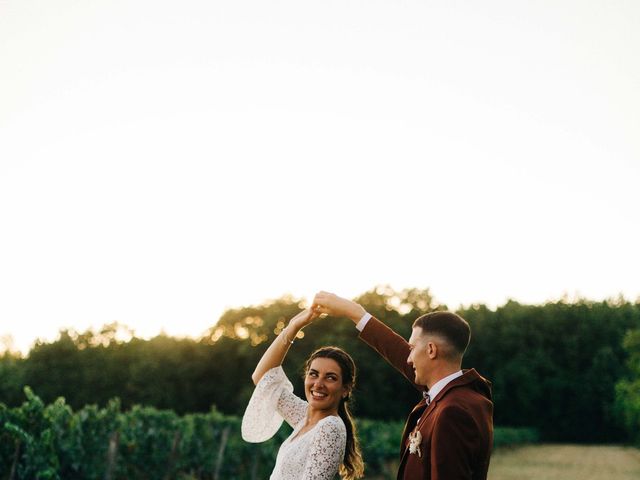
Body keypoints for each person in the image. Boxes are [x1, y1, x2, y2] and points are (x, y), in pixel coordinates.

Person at [312, 291, 493, 480]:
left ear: (431, 350)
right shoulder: (459, 395)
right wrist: (355, 313)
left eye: (412, 348)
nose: (408, 357)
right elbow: (398, 353)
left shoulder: (453, 411)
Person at [241, 308, 364, 480]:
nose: (318, 384)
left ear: (345, 389)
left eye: (330, 377)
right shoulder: (303, 417)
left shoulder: (330, 427)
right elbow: (262, 378)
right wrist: (293, 327)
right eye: (313, 374)